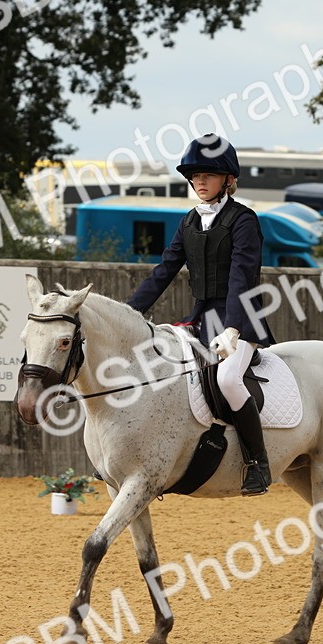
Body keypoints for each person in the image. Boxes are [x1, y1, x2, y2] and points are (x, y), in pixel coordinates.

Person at [126, 134, 276, 496]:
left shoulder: (244, 221)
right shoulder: (190, 222)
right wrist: (128, 313)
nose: (199, 182)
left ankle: (258, 462)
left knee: (227, 379)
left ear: (227, 179)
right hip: (199, 321)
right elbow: (163, 271)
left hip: (241, 323)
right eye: (194, 176)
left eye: (207, 175)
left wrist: (234, 328)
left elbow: (242, 277)